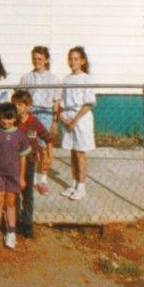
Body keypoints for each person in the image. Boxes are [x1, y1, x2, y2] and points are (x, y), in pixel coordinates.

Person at [0, 103, 31, 250]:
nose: (6, 121)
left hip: (13, 175)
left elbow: (23, 158)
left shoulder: (20, 135)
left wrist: (22, 177)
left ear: (14, 118)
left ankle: (11, 233)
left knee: (10, 203)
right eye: (3, 118)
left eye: (9, 119)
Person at [18, 46, 60, 195]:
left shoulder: (53, 78)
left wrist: (55, 121)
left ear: (46, 60)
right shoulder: (26, 77)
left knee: (43, 148)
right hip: (31, 112)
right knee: (31, 146)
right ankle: (32, 180)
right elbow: (19, 98)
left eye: (40, 59)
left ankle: (43, 179)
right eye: (35, 58)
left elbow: (56, 101)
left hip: (46, 113)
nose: (37, 61)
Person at [12, 89, 52, 238]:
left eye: (21, 104)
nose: (17, 107)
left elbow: (48, 138)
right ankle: (15, 220)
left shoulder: (34, 122)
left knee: (28, 194)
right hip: (13, 163)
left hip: (29, 163)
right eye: (15, 104)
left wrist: (48, 155)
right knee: (14, 193)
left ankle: (27, 224)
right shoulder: (11, 121)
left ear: (28, 106)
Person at [59, 46, 95, 201]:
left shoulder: (86, 78)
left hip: (80, 119)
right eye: (70, 58)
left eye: (76, 59)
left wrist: (74, 120)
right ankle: (73, 183)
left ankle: (81, 186)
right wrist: (63, 118)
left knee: (80, 153)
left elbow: (88, 103)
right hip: (67, 119)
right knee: (72, 152)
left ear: (82, 61)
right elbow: (60, 101)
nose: (72, 61)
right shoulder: (66, 79)